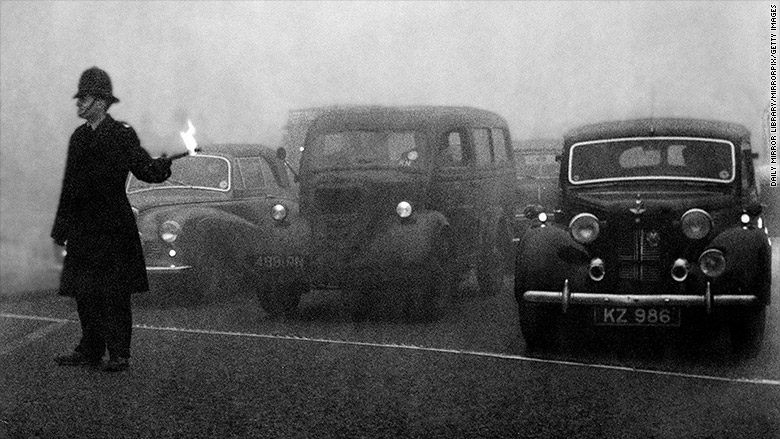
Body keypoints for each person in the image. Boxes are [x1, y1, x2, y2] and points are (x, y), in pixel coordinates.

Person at [51, 67, 172, 372]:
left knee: (115, 292)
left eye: (85, 97)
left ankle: (119, 353)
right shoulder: (78, 138)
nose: (79, 103)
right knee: (85, 292)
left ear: (101, 102)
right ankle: (90, 348)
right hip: (82, 226)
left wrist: (163, 166)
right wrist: (60, 230)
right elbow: (69, 186)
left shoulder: (122, 134)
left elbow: (145, 169)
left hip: (113, 225)